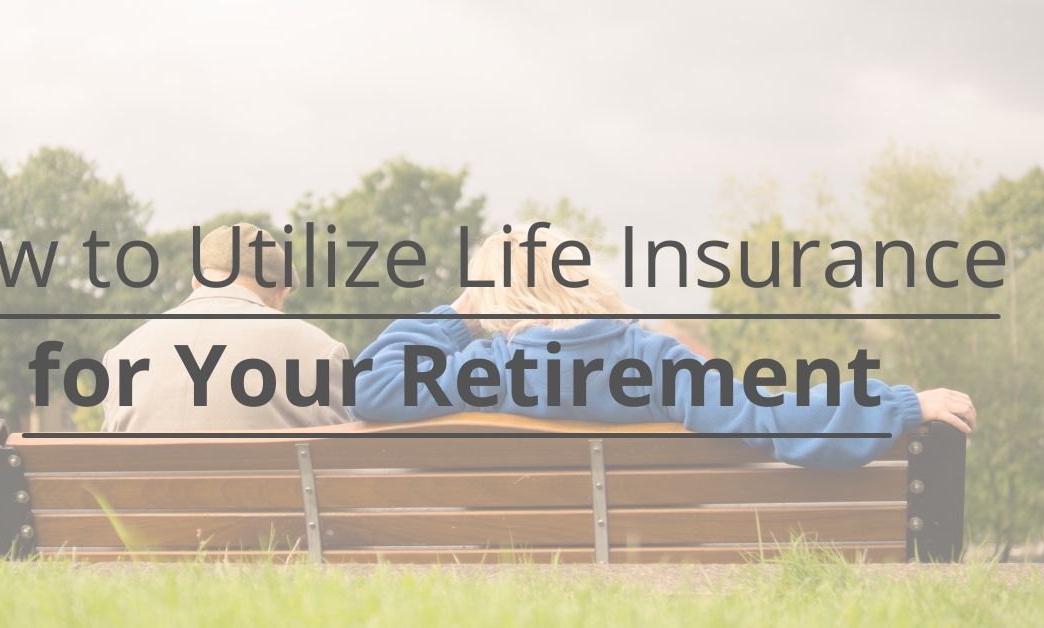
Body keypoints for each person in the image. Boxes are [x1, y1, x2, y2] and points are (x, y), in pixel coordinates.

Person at [352, 225, 975, 467]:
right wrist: (896, 405)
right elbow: (770, 416)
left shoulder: (484, 369)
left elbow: (369, 389)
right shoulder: (656, 362)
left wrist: (459, 314)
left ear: (497, 303)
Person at [101, 223, 354, 431]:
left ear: (197, 281)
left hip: (144, 495)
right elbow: (343, 465)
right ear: (281, 290)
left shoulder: (121, 356)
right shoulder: (320, 351)